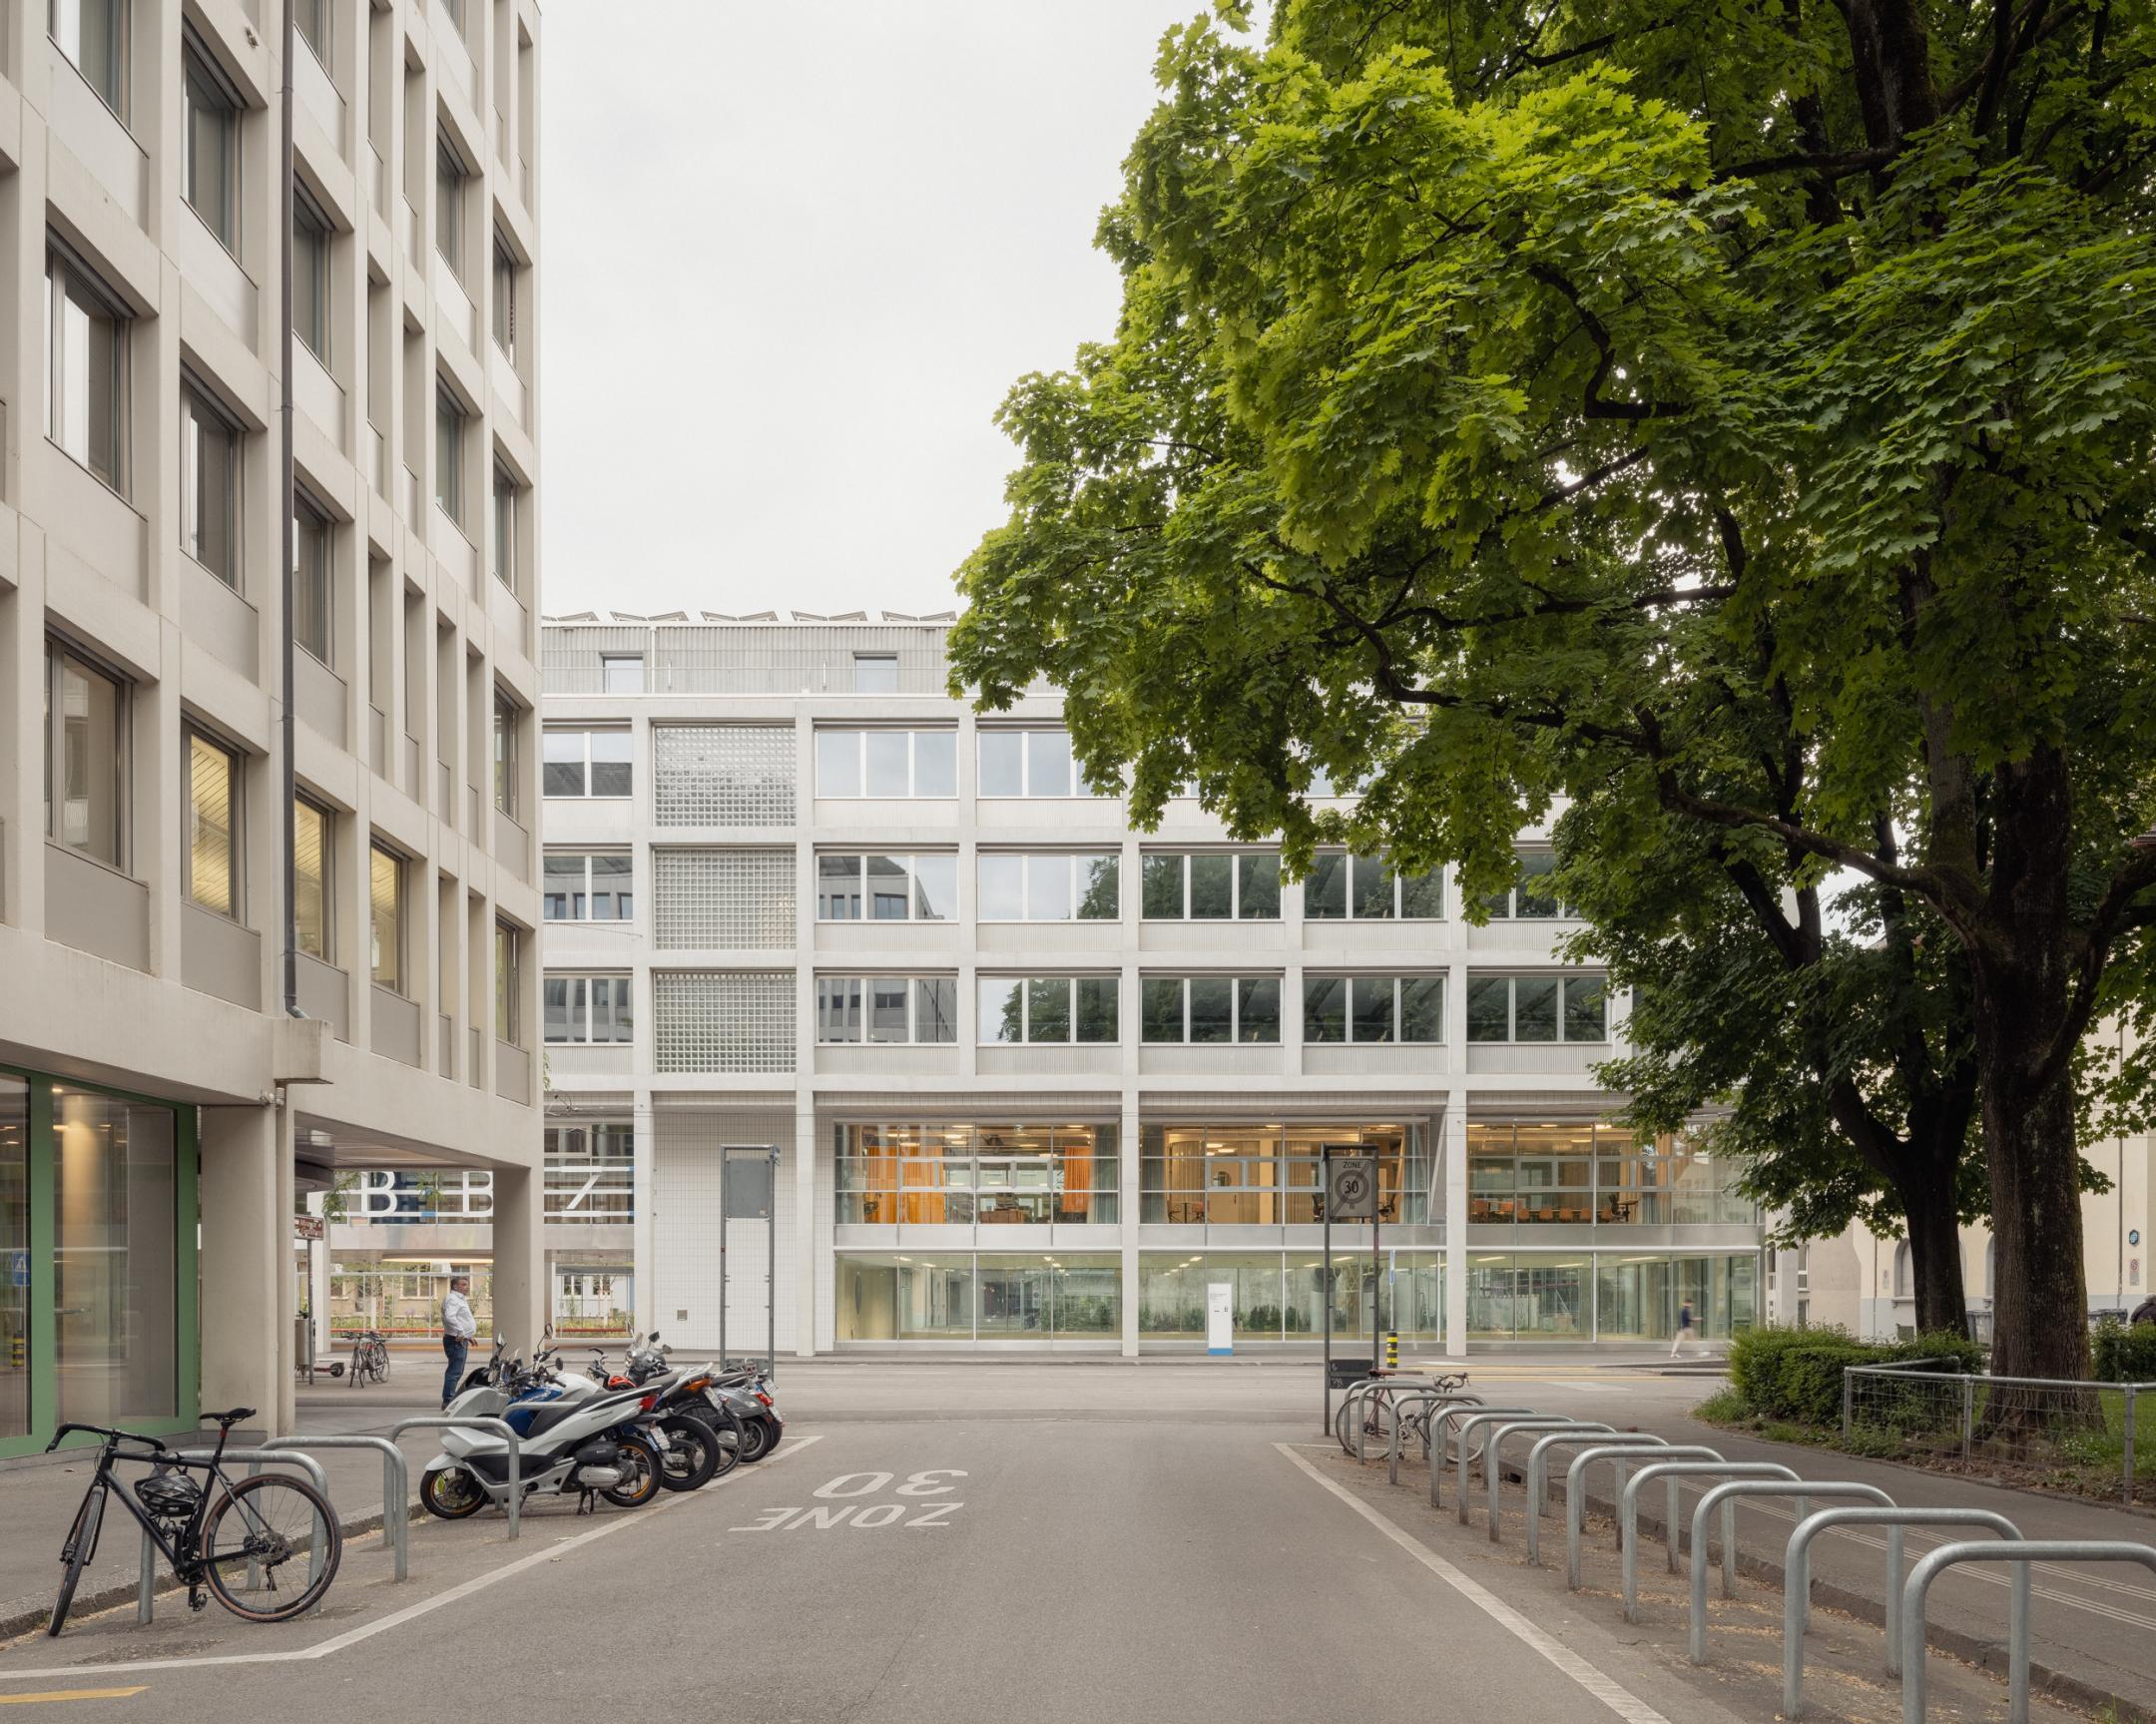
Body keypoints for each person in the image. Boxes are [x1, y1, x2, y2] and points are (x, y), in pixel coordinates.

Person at [440, 1275, 477, 1409]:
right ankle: (448, 1401)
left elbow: (460, 1318)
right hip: (456, 1340)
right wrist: (461, 1332)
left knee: (456, 1371)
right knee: (454, 1372)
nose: (467, 1287)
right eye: (464, 1285)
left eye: (467, 1284)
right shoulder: (453, 1299)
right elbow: (450, 1317)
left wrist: (468, 1335)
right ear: (455, 1286)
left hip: (460, 1338)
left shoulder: (458, 1299)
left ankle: (449, 1399)